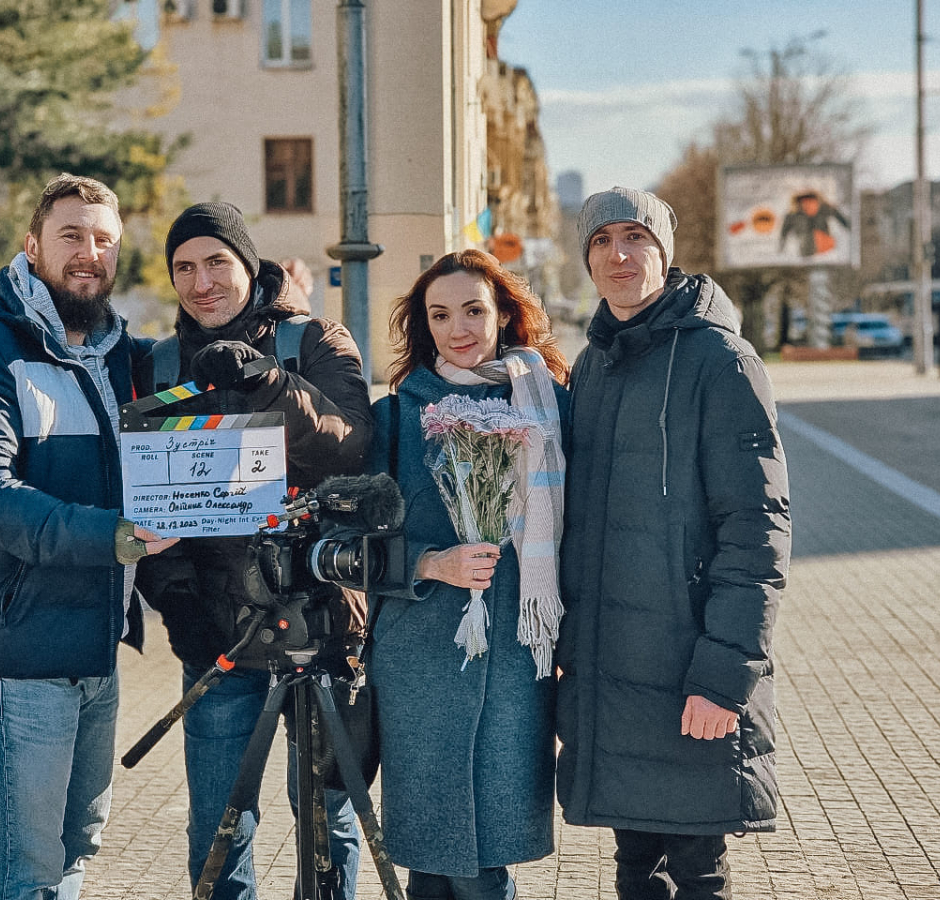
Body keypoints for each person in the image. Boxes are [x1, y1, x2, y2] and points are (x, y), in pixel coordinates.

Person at [0, 173, 177, 900]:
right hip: (16, 647)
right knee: (21, 870)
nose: (89, 253)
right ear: (32, 246)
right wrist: (119, 537)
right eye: (72, 236)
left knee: (74, 849)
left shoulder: (114, 353)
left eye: (104, 241)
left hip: (94, 642)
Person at [133, 202, 373, 900]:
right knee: (218, 829)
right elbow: (150, 494)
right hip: (217, 631)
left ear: (247, 264)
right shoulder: (158, 363)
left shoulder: (313, 340)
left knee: (327, 822)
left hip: (318, 622)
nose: (201, 280)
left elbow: (353, 443)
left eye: (216, 262)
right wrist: (175, 600)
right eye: (184, 267)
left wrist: (273, 385)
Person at [556, 187, 791, 900]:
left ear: (665, 252)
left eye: (636, 238)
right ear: (588, 259)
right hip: (612, 673)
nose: (619, 254)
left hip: (689, 673)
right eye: (602, 241)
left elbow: (757, 528)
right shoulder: (593, 363)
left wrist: (724, 674)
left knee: (698, 870)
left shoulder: (722, 361)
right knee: (635, 867)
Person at [369, 250, 569, 900]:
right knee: (429, 868)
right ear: (423, 325)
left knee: (485, 868)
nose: (460, 326)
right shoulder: (397, 416)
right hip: (419, 669)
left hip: (515, 664)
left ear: (503, 312)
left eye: (475, 309)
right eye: (441, 313)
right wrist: (432, 562)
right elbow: (351, 546)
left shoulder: (548, 406)